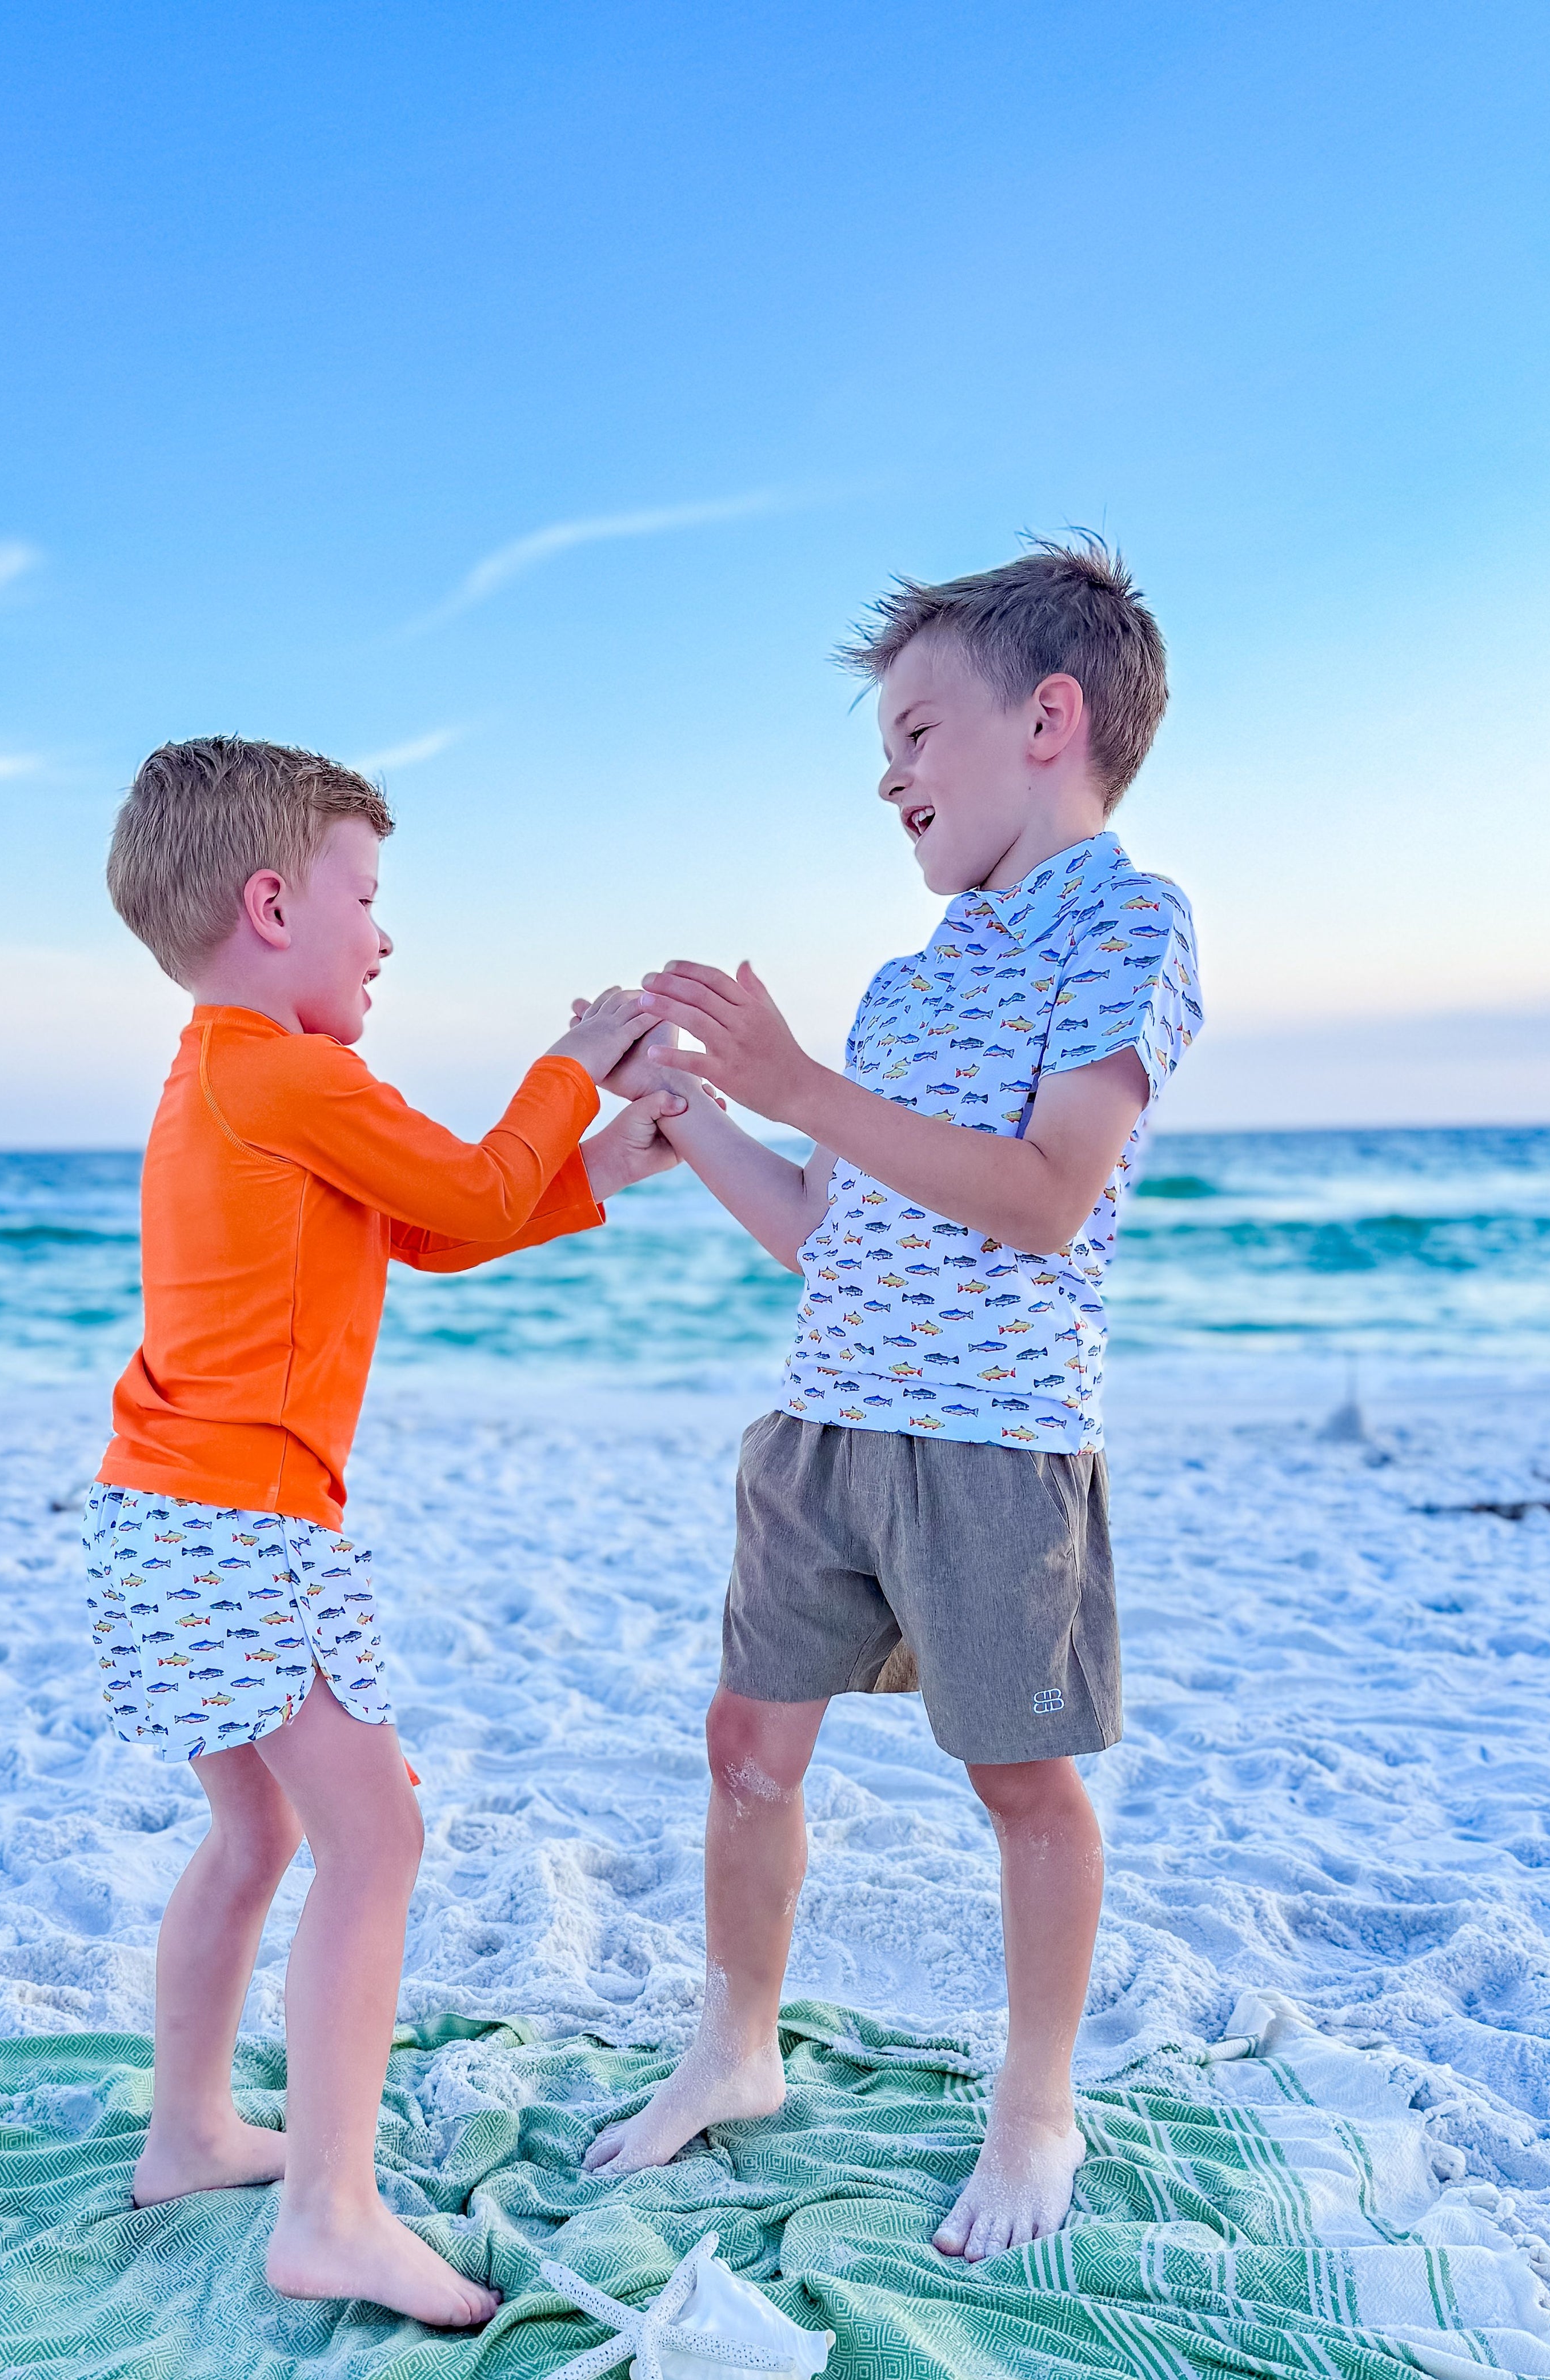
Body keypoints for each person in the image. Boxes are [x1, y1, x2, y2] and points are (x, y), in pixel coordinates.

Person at [585, 537, 1203, 2259]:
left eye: (921, 732)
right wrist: (704, 1106)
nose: (891, 773)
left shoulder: (1130, 920)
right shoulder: (909, 981)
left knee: (1022, 1785)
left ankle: (1036, 2114)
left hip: (994, 1446)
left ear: (1050, 719)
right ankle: (736, 2050)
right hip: (824, 1429)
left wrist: (799, 1082)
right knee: (744, 1749)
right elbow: (818, 1232)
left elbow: (1043, 1195)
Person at [86, 735, 674, 2326]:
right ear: (274, 904)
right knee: (377, 1838)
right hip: (241, 1526)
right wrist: (575, 1070)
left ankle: (192, 2131)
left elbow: (427, 1223)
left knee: (261, 1833)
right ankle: (330, 2213)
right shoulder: (291, 1072)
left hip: (163, 1516)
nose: (386, 933)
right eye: (368, 896)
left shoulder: (226, 1072)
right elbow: (473, 1195)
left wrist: (597, 1162)